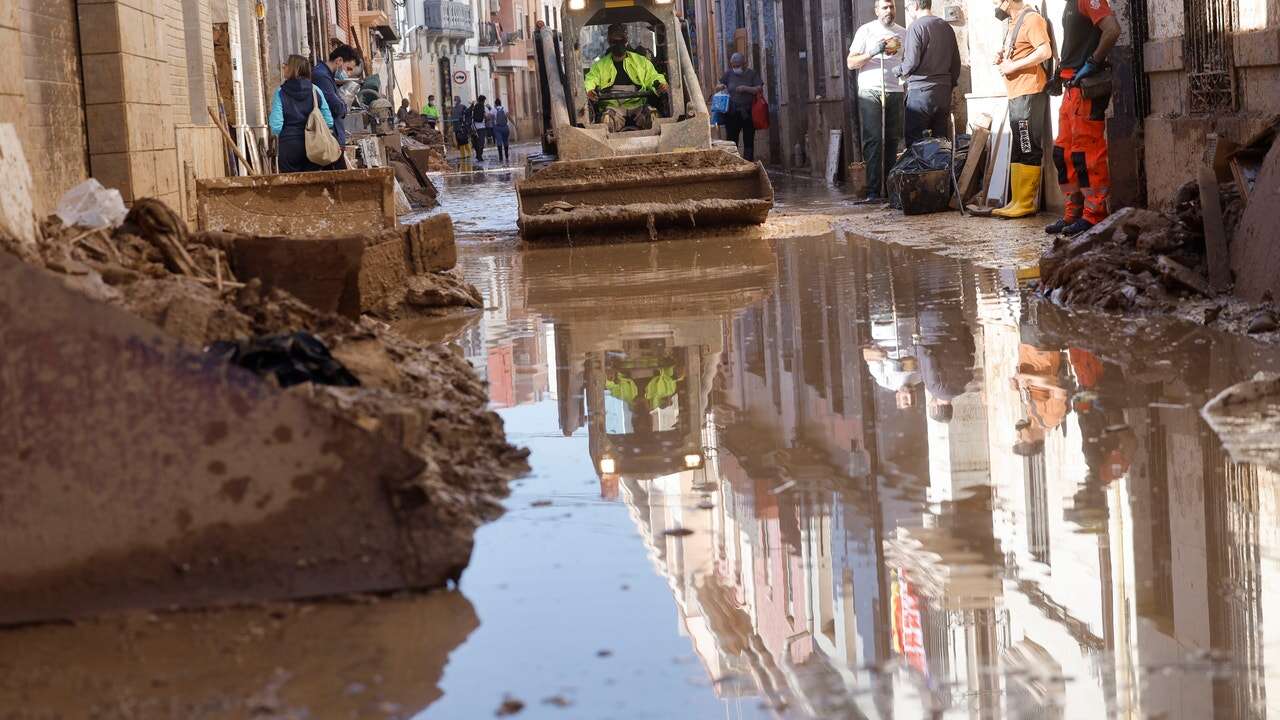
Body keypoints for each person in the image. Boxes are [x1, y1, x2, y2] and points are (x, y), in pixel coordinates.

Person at [1045, 0, 1121, 236]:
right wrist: (1060, 74)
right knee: (1064, 154)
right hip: (1071, 87)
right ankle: (1073, 213)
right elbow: (1075, 43)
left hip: (1086, 88)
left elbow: (1112, 30)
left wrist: (1092, 62)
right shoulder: (1071, 4)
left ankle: (1094, 215)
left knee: (1087, 155)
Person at [990, 0, 1053, 218]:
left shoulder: (1031, 19)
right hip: (1016, 93)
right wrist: (1003, 56)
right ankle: (1016, 200)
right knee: (1018, 147)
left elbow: (1045, 51)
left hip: (1029, 92)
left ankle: (1025, 203)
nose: (993, 3)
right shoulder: (1013, 22)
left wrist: (1013, 65)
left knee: (1027, 145)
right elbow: (1020, 50)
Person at [847, 0, 908, 202]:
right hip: (871, 89)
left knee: (892, 139)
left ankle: (890, 188)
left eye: (891, 7)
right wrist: (873, 52)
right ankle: (873, 190)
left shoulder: (904, 33)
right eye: (884, 7)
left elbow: (908, 61)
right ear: (876, 10)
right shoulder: (866, 31)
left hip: (895, 89)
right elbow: (851, 63)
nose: (889, 10)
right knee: (873, 139)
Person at [895, 0, 961, 145]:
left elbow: (911, 62)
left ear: (916, 4)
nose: (908, 11)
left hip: (921, 93)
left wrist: (898, 70)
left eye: (907, 7)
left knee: (916, 144)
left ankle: (920, 169)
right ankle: (942, 168)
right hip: (943, 93)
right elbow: (956, 63)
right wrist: (949, 85)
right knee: (941, 143)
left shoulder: (916, 27)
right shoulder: (947, 27)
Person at [584, 23, 670, 133]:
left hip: (638, 106)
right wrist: (589, 90)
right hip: (613, 108)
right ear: (609, 42)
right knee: (605, 121)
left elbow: (653, 76)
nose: (618, 44)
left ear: (626, 41)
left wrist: (660, 84)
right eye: (615, 41)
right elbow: (590, 80)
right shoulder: (599, 66)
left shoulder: (641, 61)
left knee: (654, 117)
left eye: (621, 41)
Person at [268, 55, 335, 173]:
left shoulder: (281, 92)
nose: (283, 68)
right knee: (312, 184)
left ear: (293, 69)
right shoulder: (315, 90)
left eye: (286, 65)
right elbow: (329, 121)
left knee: (292, 187)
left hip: (289, 147)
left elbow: (276, 126)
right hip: (315, 145)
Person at [716, 53, 764, 161]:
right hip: (732, 112)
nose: (735, 68)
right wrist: (722, 86)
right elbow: (717, 86)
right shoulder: (728, 74)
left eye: (738, 65)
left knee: (748, 139)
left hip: (748, 112)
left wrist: (746, 88)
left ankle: (748, 162)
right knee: (731, 140)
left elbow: (759, 88)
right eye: (734, 66)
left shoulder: (751, 74)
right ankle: (733, 162)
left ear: (744, 64)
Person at [312, 44, 357, 152]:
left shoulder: (327, 76)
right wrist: (344, 106)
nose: (348, 73)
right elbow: (336, 106)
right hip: (329, 139)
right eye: (348, 68)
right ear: (339, 60)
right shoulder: (321, 76)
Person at [492, 98, 511, 163]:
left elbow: (489, 117)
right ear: (500, 103)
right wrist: (515, 125)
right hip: (505, 127)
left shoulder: (494, 110)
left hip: (497, 128)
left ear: (495, 103)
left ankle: (500, 157)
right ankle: (506, 155)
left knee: (499, 142)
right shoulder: (504, 109)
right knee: (506, 141)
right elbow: (509, 117)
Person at [470, 95, 489, 161]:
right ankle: (479, 155)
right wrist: (487, 120)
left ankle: (478, 154)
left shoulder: (475, 107)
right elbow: (486, 117)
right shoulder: (484, 107)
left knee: (476, 141)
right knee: (481, 142)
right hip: (481, 127)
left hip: (474, 127)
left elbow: (472, 116)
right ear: (483, 100)